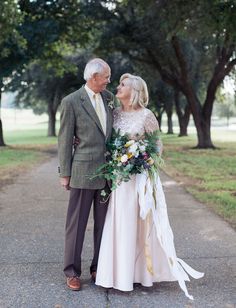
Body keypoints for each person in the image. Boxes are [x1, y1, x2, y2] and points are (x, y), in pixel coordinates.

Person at [95, 73, 204, 300]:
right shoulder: (113, 114)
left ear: (133, 91)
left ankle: (141, 274)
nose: (118, 86)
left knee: (140, 224)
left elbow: (157, 144)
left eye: (122, 84)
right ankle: (117, 274)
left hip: (139, 179)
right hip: (118, 180)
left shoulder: (147, 116)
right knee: (119, 223)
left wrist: (143, 160)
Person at [58, 58, 114, 291]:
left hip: (108, 174)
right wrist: (65, 172)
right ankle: (72, 271)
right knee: (77, 225)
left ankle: (98, 268)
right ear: (93, 77)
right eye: (106, 77)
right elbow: (64, 139)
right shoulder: (71, 102)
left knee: (105, 225)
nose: (109, 81)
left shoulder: (110, 99)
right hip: (82, 172)